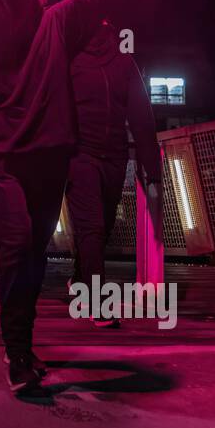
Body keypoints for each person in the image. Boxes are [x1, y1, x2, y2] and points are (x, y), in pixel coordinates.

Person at [0, 0, 113, 396]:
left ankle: (23, 347)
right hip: (3, 162)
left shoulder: (56, 23)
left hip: (49, 160)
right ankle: (16, 352)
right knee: (13, 251)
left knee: (31, 256)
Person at [66, 19, 161, 327]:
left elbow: (141, 115)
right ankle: (94, 301)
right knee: (91, 225)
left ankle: (80, 278)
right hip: (79, 155)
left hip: (114, 156)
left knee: (103, 224)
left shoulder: (123, 61)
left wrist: (152, 168)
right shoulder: (69, 58)